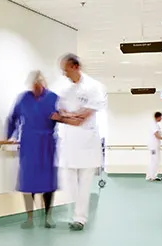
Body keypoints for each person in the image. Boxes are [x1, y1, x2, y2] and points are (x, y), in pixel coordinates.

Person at [53, 53, 107, 231]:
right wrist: (71, 115)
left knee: (84, 184)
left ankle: (80, 218)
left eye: (66, 70)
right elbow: (60, 112)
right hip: (69, 143)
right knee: (69, 183)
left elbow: (81, 119)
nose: (64, 74)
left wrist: (68, 116)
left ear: (75, 67)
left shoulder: (94, 87)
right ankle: (74, 214)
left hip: (87, 142)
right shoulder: (66, 91)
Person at [6, 70, 60, 229]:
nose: (36, 88)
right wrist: (11, 135)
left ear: (44, 84)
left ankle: (48, 216)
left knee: (48, 182)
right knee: (28, 181)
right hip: (29, 143)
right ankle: (29, 217)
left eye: (39, 85)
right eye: (34, 85)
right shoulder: (23, 98)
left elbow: (62, 117)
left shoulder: (53, 98)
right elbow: (13, 118)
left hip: (47, 144)